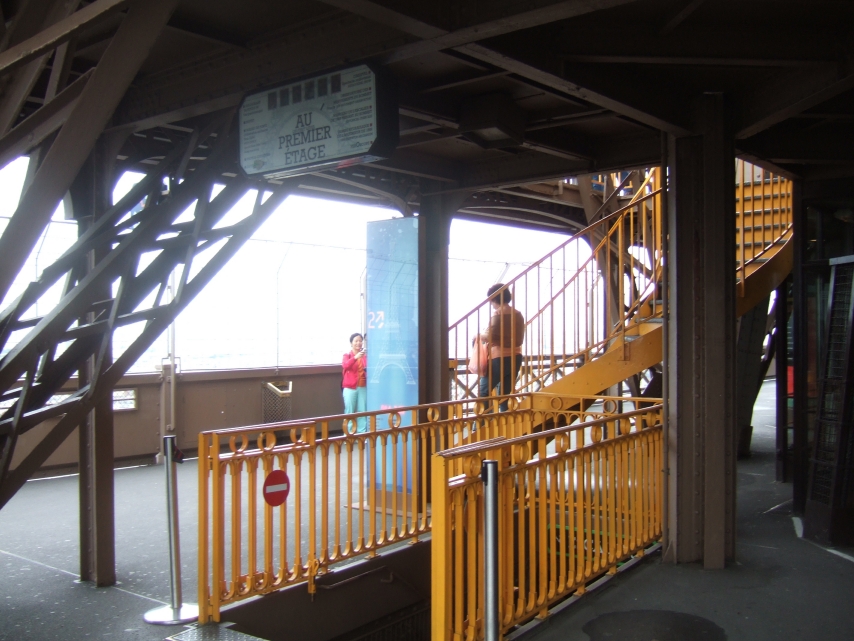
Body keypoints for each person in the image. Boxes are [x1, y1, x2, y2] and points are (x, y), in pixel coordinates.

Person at [479, 284, 525, 411]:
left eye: (491, 301)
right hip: (516, 357)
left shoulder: (498, 314)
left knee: (483, 392)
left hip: (499, 358)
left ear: (495, 298)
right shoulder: (518, 314)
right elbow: (519, 338)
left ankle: (482, 422)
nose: (491, 304)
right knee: (504, 395)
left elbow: (490, 336)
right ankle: (504, 421)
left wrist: (478, 336)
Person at [342, 332, 367, 432]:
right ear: (351, 343)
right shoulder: (347, 355)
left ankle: (362, 434)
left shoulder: (365, 356)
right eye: (356, 341)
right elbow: (345, 365)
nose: (358, 343)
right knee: (349, 411)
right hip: (350, 387)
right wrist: (355, 358)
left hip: (363, 386)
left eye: (360, 341)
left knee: (362, 411)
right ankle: (349, 434)